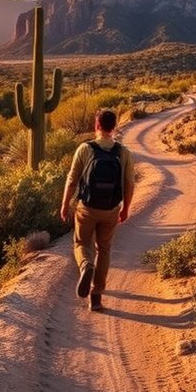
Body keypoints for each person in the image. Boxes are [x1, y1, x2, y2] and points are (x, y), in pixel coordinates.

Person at [59, 109, 135, 312]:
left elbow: (72, 179)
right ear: (115, 126)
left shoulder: (85, 149)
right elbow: (129, 183)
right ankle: (96, 297)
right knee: (104, 249)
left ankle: (85, 265)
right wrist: (126, 208)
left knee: (82, 243)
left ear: (97, 126)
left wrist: (65, 204)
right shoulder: (123, 152)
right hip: (111, 209)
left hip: (87, 208)